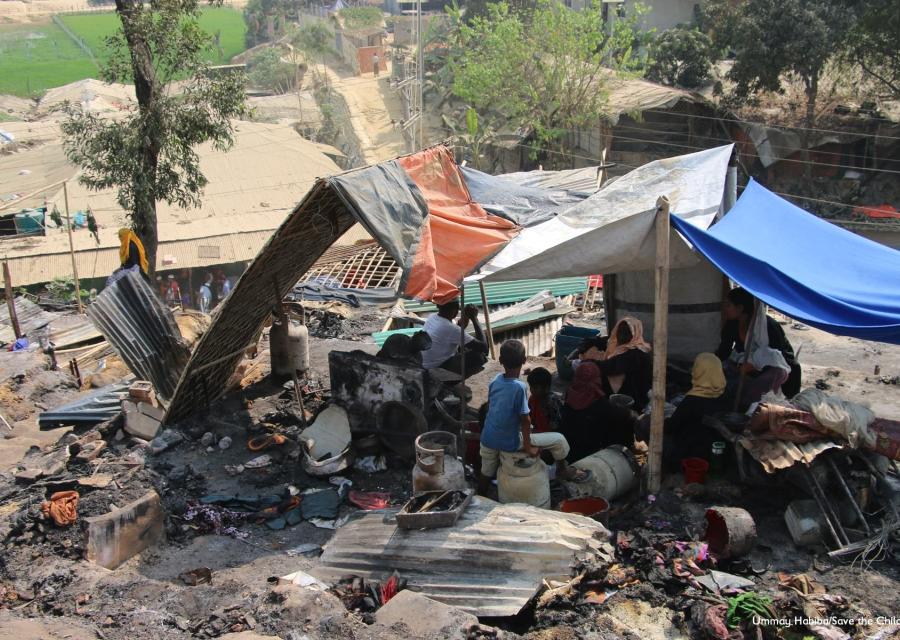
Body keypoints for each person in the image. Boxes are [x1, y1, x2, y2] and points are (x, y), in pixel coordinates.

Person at [477, 340, 589, 496]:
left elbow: (493, 408)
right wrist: (528, 446)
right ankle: (562, 470)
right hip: (510, 440)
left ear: (500, 361)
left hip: (487, 438)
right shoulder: (519, 387)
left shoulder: (495, 381)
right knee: (559, 440)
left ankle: (479, 496)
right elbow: (525, 420)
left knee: (486, 471)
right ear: (524, 360)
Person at [716, 287, 801, 405]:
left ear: (740, 308)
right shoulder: (732, 324)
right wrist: (711, 363)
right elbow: (724, 350)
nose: (725, 309)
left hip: (779, 370)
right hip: (749, 367)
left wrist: (755, 366)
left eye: (728, 305)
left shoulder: (768, 326)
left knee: (759, 398)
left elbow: (776, 357)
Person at [662, 353, 727, 470]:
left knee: (648, 425)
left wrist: (661, 420)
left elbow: (670, 427)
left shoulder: (692, 401)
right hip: (716, 456)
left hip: (688, 457)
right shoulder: (725, 396)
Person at [421, 298, 488, 379]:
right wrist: (474, 318)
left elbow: (453, 333)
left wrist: (463, 322)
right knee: (479, 357)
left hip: (424, 365)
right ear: (456, 311)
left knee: (465, 347)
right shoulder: (450, 328)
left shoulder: (432, 317)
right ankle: (445, 384)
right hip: (434, 371)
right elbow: (484, 347)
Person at [526, 367, 563, 433]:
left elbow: (555, 428)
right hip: (538, 432)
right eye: (530, 386)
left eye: (535, 388)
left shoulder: (551, 402)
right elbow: (529, 418)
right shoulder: (533, 398)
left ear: (546, 388)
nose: (531, 390)